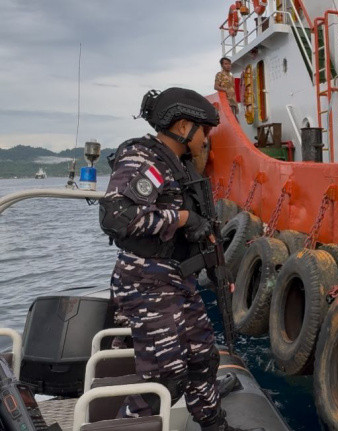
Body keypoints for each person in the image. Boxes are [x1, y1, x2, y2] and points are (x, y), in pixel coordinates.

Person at [99, 87, 240, 431]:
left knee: (203, 359)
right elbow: (117, 216)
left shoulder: (176, 166)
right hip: (147, 281)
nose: (205, 139)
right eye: (203, 131)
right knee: (166, 377)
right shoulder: (148, 160)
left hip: (175, 279)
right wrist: (181, 219)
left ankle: (214, 425)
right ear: (181, 126)